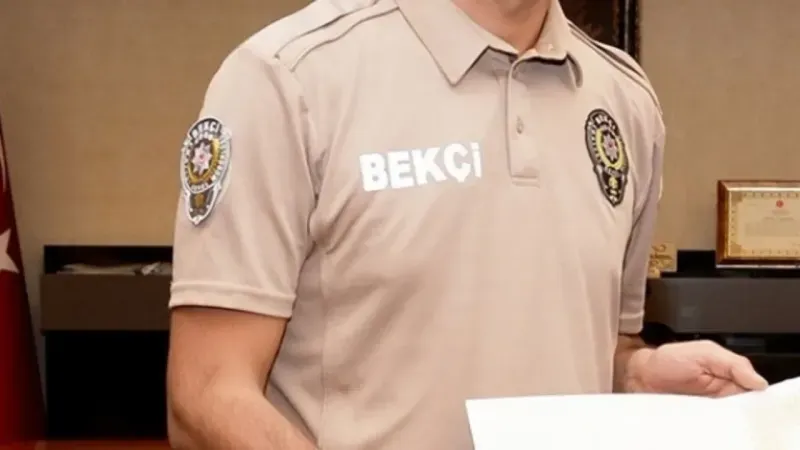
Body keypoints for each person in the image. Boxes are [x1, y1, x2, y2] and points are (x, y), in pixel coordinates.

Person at [165, 0, 769, 448]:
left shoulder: (625, 100)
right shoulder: (291, 78)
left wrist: (634, 376)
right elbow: (207, 392)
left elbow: (600, 343)